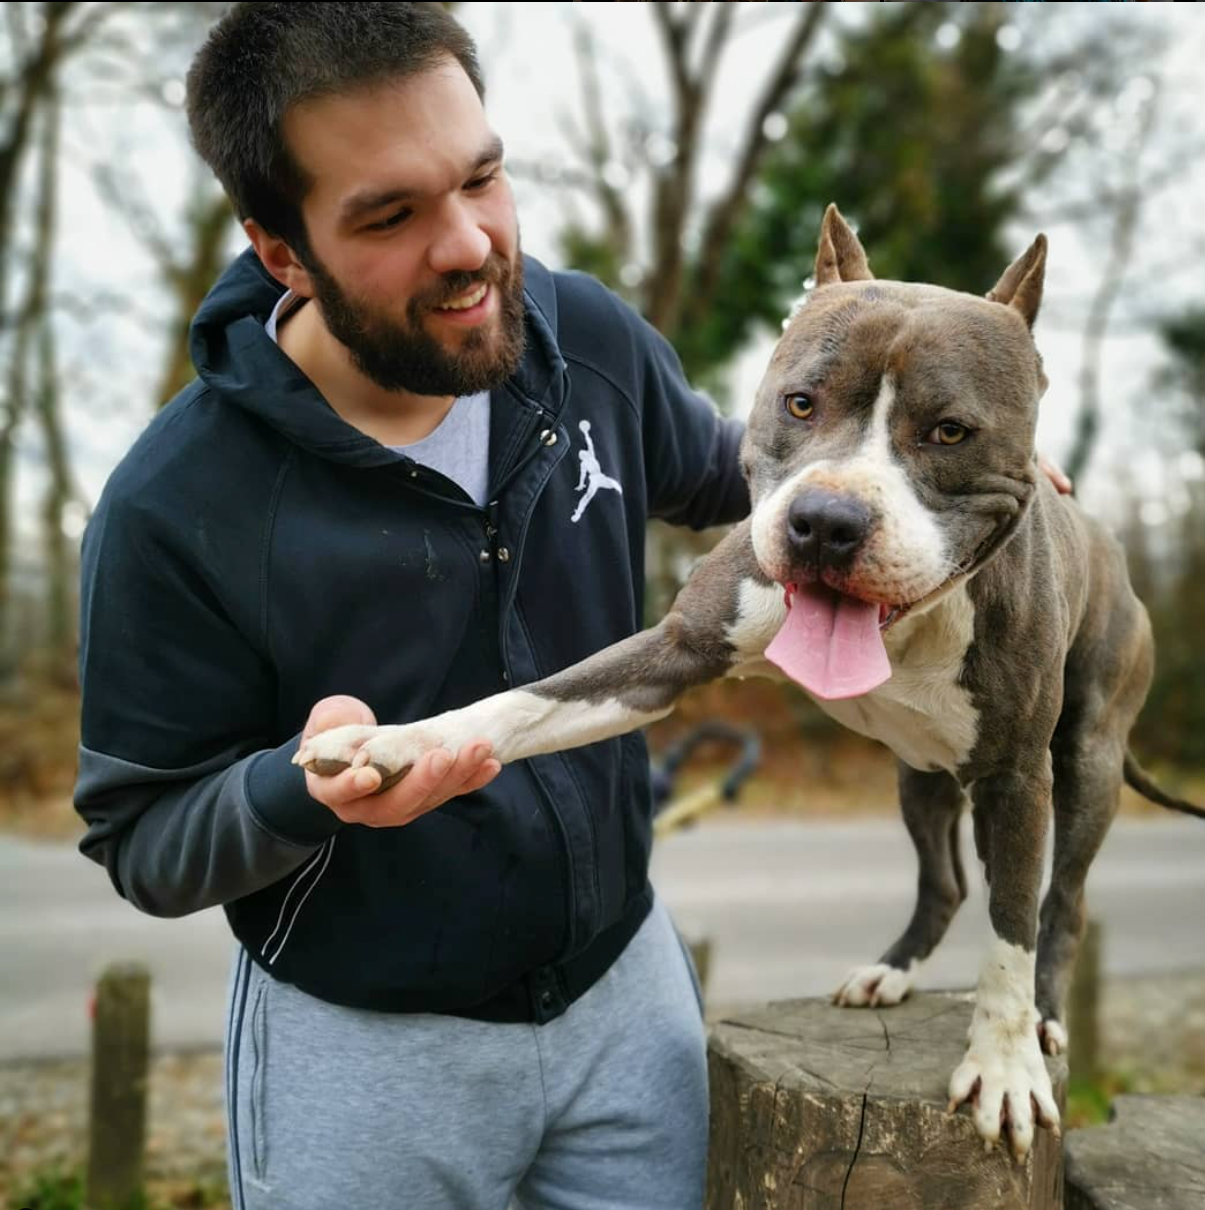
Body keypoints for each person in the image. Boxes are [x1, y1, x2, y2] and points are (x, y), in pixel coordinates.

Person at [73, 4, 749, 1208]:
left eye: (481, 177)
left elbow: (734, 473)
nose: (468, 245)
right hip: (364, 1055)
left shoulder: (584, 337)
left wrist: (920, 478)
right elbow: (144, 839)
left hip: (626, 999)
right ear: (281, 249)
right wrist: (293, 789)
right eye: (388, 215)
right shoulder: (175, 505)